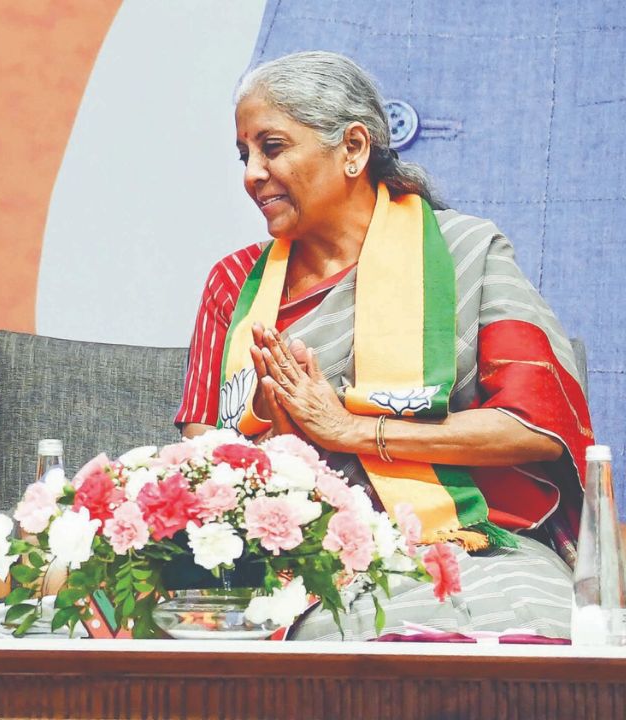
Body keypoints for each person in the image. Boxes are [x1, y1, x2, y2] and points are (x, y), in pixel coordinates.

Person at [175, 51, 593, 640]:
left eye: (272, 147)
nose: (251, 174)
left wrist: (351, 431)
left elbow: (536, 431)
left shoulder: (466, 252)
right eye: (245, 155)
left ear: (352, 148)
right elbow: (199, 461)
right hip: (311, 567)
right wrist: (267, 433)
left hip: (480, 545)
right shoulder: (233, 284)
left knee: (535, 642)